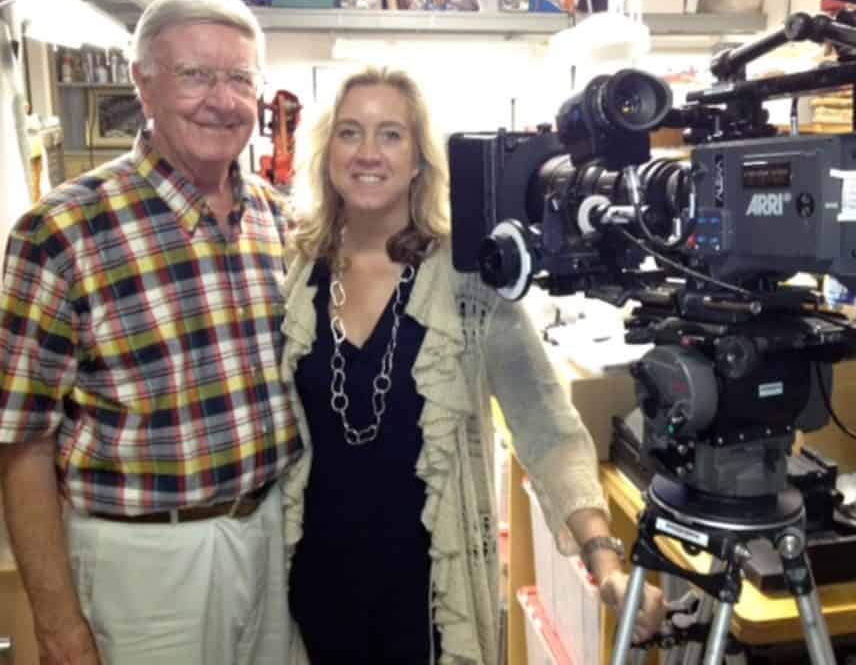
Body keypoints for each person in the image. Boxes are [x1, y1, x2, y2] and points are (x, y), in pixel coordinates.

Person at [279, 66, 664, 663]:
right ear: (327, 152)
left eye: (391, 134)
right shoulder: (295, 272)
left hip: (430, 600)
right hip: (311, 592)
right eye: (350, 133)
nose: (368, 153)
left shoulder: (469, 282)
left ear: (418, 160)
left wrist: (603, 559)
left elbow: (548, 428)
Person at [0, 0, 301, 665]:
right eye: (194, 76)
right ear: (145, 85)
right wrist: (60, 626)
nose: (221, 100)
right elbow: (23, 445)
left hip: (273, 536)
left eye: (239, 79)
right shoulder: (63, 231)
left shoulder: (283, 222)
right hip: (144, 565)